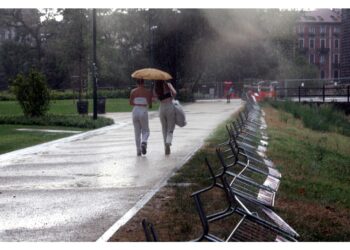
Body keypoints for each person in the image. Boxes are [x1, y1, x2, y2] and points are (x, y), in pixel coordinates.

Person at [129, 79, 152, 156]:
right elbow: (149, 103)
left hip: (135, 110)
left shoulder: (133, 91)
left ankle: (138, 151)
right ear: (143, 83)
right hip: (143, 110)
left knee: (137, 132)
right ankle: (144, 142)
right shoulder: (147, 91)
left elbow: (131, 103)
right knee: (146, 131)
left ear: (137, 83)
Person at [154, 80, 177, 155]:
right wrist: (170, 88)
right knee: (170, 127)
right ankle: (168, 142)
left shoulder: (157, 87)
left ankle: (165, 146)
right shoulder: (168, 84)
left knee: (164, 128)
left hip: (161, 108)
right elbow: (174, 93)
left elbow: (155, 99)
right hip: (169, 106)